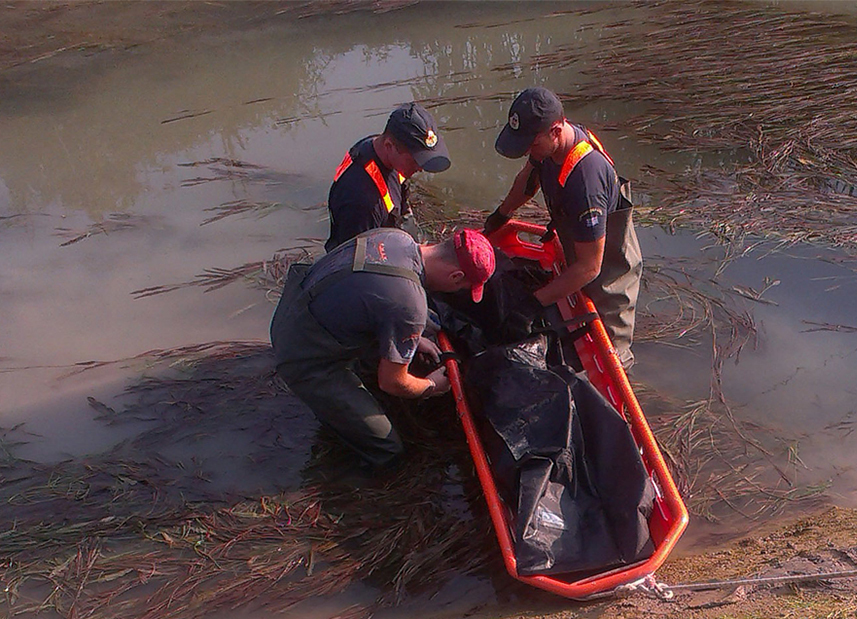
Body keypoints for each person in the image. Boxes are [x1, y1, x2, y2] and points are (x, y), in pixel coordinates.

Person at [271, 227, 495, 474]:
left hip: (294, 308)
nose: (457, 291)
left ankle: (343, 410)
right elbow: (392, 383)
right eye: (463, 287)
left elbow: (374, 295)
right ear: (456, 276)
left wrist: (409, 336)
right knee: (387, 449)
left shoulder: (394, 237)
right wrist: (431, 386)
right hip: (302, 355)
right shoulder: (409, 306)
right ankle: (336, 480)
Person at [484, 87, 642, 369]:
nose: (528, 151)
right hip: (579, 251)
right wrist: (502, 214)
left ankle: (623, 380)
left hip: (606, 276)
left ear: (556, 130)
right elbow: (529, 179)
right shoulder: (550, 144)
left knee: (607, 356)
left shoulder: (585, 181)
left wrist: (533, 304)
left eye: (531, 145)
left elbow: (589, 268)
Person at [326, 102, 451, 253]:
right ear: (389, 146)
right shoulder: (362, 201)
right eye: (415, 160)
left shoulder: (380, 148)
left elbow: (402, 201)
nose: (420, 168)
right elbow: (356, 260)